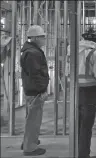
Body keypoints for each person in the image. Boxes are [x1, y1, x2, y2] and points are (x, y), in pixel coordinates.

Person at [66, 27, 96, 158]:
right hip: (90, 91)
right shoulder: (95, 53)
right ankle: (83, 155)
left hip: (75, 91)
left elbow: (68, 71)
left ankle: (76, 151)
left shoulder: (71, 50)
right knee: (86, 125)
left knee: (77, 122)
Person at [20, 25, 49, 156]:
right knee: (34, 120)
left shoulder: (30, 51)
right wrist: (42, 89)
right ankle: (30, 148)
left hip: (31, 89)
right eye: (43, 37)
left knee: (31, 118)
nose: (44, 39)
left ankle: (27, 142)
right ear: (36, 38)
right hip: (35, 91)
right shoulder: (33, 53)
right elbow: (36, 74)